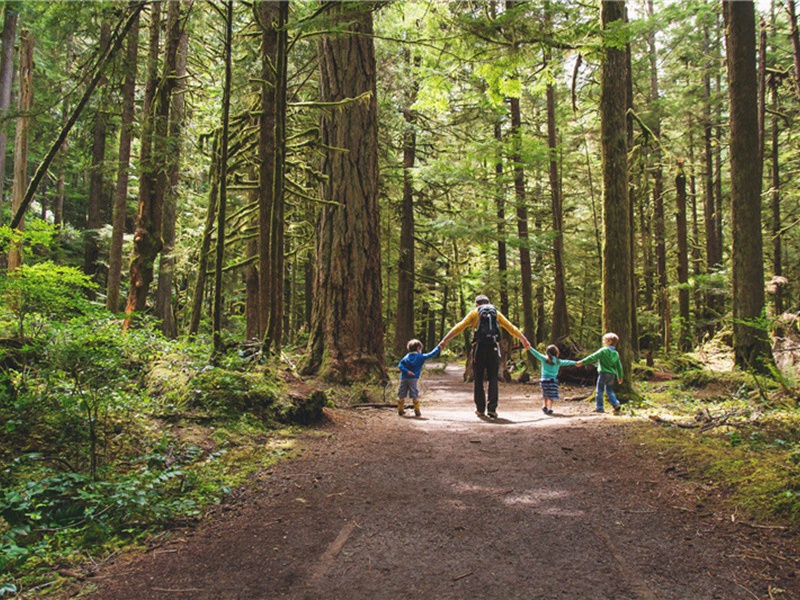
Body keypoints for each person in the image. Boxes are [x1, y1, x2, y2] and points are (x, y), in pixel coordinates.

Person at [439, 294, 530, 419]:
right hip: (493, 348)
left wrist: (445, 340)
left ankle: (480, 409)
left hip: (479, 348)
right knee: (493, 378)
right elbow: (511, 328)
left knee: (479, 379)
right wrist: (524, 340)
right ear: (488, 302)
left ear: (477, 304)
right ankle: (492, 409)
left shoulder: (474, 313)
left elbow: (459, 327)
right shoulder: (496, 313)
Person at [577, 332, 624, 414]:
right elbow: (619, 366)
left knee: (599, 390)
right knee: (609, 390)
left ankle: (599, 407)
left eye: (604, 340)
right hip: (612, 375)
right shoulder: (616, 353)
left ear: (609, 341)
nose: (603, 342)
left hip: (603, 373)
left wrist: (582, 362)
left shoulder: (603, 351)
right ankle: (615, 403)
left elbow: (593, 357)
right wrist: (620, 377)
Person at [397, 339, 441, 417]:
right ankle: (417, 411)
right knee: (415, 394)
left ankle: (400, 410)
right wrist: (439, 347)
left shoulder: (406, 357)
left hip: (404, 378)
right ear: (418, 349)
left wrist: (407, 371)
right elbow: (431, 354)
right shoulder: (420, 357)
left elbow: (400, 365)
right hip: (413, 379)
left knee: (402, 394)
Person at [529, 344, 577, 415]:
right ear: (556, 353)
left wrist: (530, 348)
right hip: (552, 380)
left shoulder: (544, 359)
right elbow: (567, 362)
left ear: (547, 352)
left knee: (545, 393)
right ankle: (550, 408)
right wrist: (575, 363)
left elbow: (536, 354)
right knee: (551, 395)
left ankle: (544, 405)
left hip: (544, 380)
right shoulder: (558, 361)